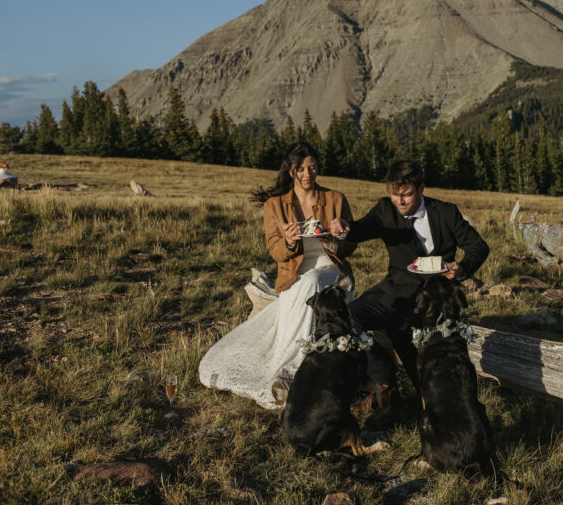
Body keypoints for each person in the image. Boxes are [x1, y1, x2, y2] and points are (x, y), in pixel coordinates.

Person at [198, 142, 356, 409]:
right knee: (307, 281)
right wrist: (291, 241)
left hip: (331, 271)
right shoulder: (275, 205)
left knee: (314, 280)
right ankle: (293, 367)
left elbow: (350, 246)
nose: (308, 174)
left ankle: (295, 368)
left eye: (313, 167)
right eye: (301, 169)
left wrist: (340, 236)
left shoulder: (336, 199)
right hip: (294, 278)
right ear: (291, 171)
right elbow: (277, 252)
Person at [331, 159, 488, 405]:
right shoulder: (385, 209)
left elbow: (479, 246)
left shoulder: (446, 212)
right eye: (394, 195)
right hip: (395, 289)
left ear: (421, 189)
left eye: (405, 195)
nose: (400, 201)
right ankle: (384, 377)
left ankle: (426, 394)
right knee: (348, 317)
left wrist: (462, 268)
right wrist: (345, 228)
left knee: (397, 324)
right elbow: (362, 228)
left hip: (437, 296)